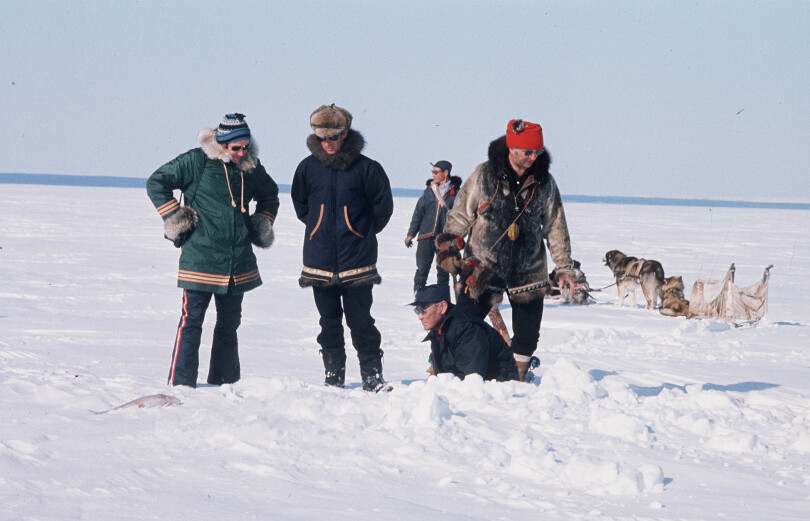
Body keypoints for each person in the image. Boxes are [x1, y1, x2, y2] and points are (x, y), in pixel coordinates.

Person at [435, 119, 575, 381]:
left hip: (529, 269)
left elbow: (556, 225)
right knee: (463, 323)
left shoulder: (545, 182)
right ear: (512, 148)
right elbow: (460, 215)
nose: (533, 157)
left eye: (538, 152)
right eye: (527, 152)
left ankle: (517, 378)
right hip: (483, 266)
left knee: (527, 335)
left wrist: (564, 267)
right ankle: (448, 372)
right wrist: (449, 247)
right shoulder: (484, 174)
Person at [147, 113, 279, 387]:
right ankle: (182, 385)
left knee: (229, 325)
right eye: (236, 148)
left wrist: (259, 225)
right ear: (222, 144)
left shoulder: (251, 167)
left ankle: (225, 385)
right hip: (201, 258)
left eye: (246, 146)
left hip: (237, 261)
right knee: (192, 321)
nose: (242, 153)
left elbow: (270, 194)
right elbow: (156, 182)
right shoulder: (197, 162)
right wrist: (178, 218)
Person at [291, 104, 394, 392]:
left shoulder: (368, 168)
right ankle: (333, 377)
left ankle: (372, 376)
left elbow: (382, 209)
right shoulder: (306, 168)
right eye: (322, 138)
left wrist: (357, 231)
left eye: (334, 137)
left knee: (362, 323)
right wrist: (318, 227)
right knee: (328, 323)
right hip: (318, 261)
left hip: (357, 261)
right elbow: (302, 207)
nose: (328, 143)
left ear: (345, 133)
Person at [410, 285, 519, 382]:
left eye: (423, 309)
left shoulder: (467, 329)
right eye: (417, 311)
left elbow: (471, 377)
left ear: (443, 307)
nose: (420, 316)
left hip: (499, 389)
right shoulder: (437, 331)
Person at [404, 160, 462, 291]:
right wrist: (410, 234)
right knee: (422, 268)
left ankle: (442, 299)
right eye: (433, 172)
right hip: (426, 235)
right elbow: (418, 214)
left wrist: (456, 237)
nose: (433, 175)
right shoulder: (428, 192)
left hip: (444, 239)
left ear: (445, 173)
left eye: (436, 172)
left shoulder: (457, 194)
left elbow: (460, 217)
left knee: (443, 270)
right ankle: (418, 296)